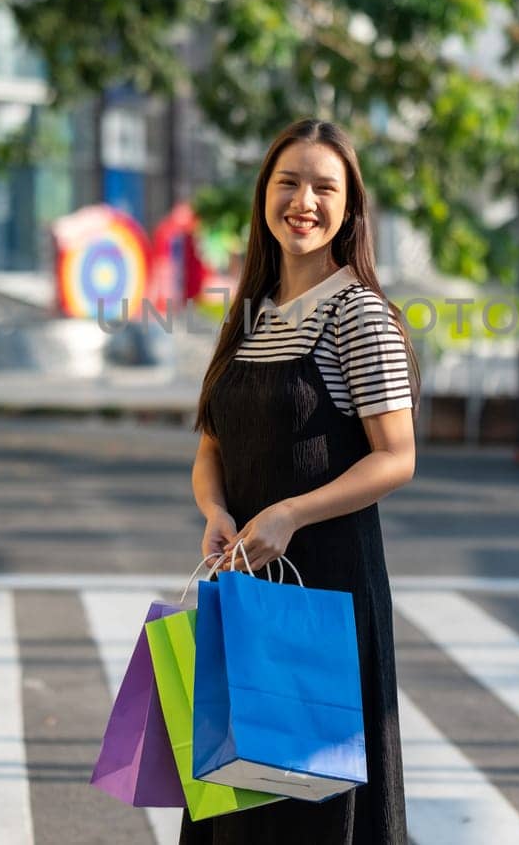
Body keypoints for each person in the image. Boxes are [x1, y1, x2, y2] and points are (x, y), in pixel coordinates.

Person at [187, 118, 419, 845]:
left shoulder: (360, 316)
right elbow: (212, 441)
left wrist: (290, 511)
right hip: (246, 577)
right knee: (237, 797)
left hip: (325, 589)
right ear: (264, 195)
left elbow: (397, 456)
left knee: (307, 806)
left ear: (350, 208)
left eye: (325, 186)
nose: (304, 200)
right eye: (289, 181)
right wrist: (214, 506)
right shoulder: (251, 313)